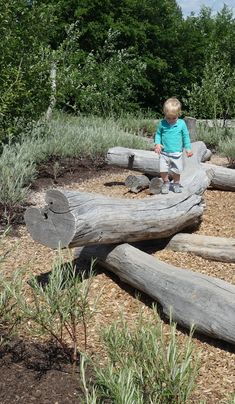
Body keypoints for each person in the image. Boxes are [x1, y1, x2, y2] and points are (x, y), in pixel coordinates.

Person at [154, 97, 193, 194]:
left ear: (179, 114)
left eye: (174, 118)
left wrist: (188, 148)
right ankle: (166, 182)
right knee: (162, 170)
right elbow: (158, 134)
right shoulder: (162, 123)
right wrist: (157, 144)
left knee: (177, 171)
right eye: (168, 118)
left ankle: (176, 183)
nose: (171, 120)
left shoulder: (181, 123)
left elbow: (186, 136)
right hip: (164, 153)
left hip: (177, 153)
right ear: (165, 113)